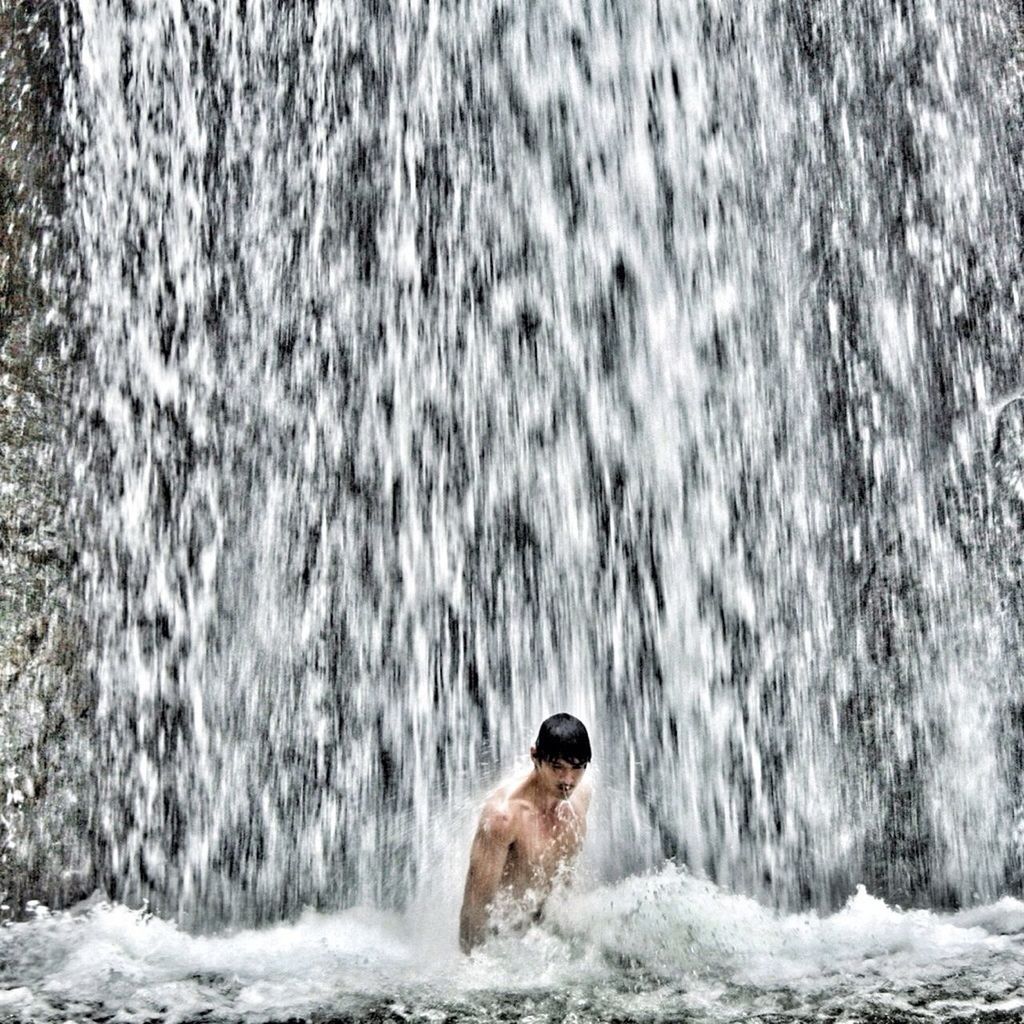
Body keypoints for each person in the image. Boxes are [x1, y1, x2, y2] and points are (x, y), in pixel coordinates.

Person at [459, 713, 592, 953]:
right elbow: (474, 909)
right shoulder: (503, 817)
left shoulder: (580, 796)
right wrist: (473, 971)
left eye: (577, 768)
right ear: (535, 757)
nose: (568, 780)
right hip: (509, 942)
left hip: (553, 937)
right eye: (557, 768)